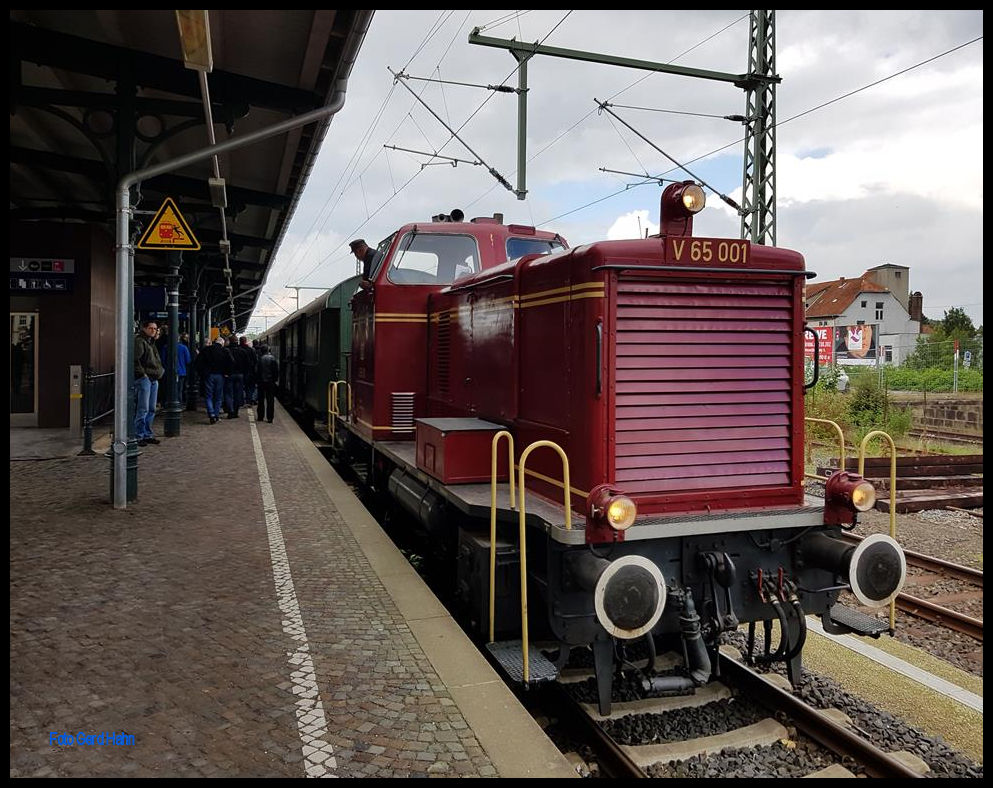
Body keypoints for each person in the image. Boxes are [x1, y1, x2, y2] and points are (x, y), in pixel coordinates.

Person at [133, 319, 164, 446]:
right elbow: (135, 360)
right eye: (151, 328)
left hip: (153, 379)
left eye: (155, 329)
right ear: (144, 328)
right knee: (143, 408)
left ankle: (147, 433)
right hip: (145, 379)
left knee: (151, 408)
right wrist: (143, 374)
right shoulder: (140, 341)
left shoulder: (151, 342)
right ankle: (138, 435)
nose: (154, 331)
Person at [196, 336, 233, 424]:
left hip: (209, 376)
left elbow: (198, 362)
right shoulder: (225, 351)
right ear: (222, 343)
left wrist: (203, 373)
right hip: (220, 376)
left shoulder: (206, 350)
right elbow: (231, 362)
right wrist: (227, 373)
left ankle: (211, 414)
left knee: (208, 396)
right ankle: (216, 415)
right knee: (218, 397)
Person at [256, 344, 279, 424]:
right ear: (268, 350)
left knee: (261, 400)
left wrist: (257, 380)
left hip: (261, 382)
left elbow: (257, 371)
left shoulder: (260, 359)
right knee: (270, 400)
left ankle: (260, 416)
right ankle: (270, 418)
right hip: (270, 382)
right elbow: (276, 371)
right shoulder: (273, 359)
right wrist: (275, 380)